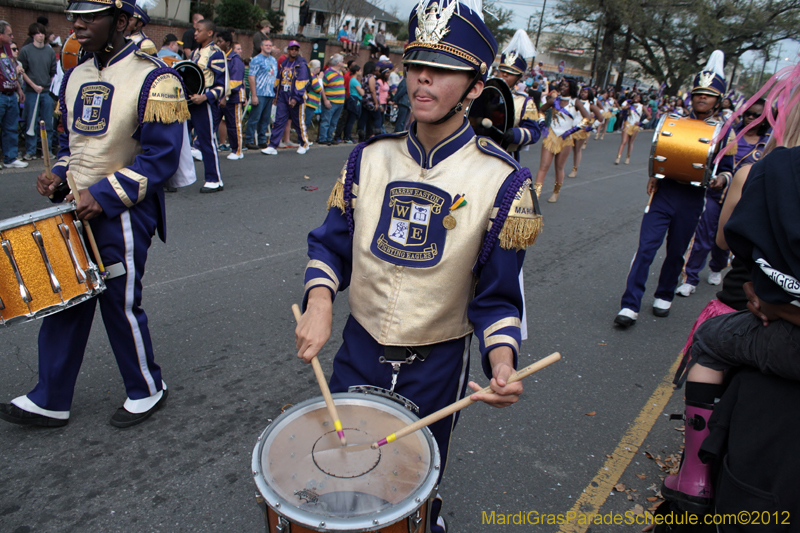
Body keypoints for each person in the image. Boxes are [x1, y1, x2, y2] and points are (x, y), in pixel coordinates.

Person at [295, 2, 541, 531]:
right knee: (341, 481)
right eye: (415, 63)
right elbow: (332, 244)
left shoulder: (504, 183)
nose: (423, 78)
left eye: (445, 69)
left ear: (476, 86)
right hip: (357, 351)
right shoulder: (369, 158)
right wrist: (319, 303)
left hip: (435, 367)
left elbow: (498, 297)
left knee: (406, 490)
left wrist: (501, 363)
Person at [0, 0, 190, 428]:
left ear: (121, 22)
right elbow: (76, 146)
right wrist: (60, 176)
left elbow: (160, 159)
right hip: (76, 206)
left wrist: (101, 196)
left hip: (125, 212)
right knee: (66, 297)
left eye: (91, 17)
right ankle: (50, 397)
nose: (78, 24)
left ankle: (146, 388)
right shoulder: (75, 75)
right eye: (75, 16)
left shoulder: (156, 78)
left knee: (118, 303)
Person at [613, 51, 734, 327]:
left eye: (709, 94)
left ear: (718, 99)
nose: (702, 98)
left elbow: (728, 168)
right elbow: (661, 151)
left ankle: (664, 293)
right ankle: (630, 304)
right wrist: (653, 174)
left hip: (693, 198)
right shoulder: (674, 120)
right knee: (645, 248)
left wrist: (721, 180)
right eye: (698, 93)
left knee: (677, 251)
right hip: (664, 194)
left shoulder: (723, 131)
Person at [676, 99, 771, 298]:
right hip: (715, 193)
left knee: (726, 239)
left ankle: (717, 266)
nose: (751, 118)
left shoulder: (769, 142)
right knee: (702, 236)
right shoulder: (728, 133)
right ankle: (690, 278)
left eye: (757, 116)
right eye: (748, 114)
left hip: (742, 200)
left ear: (765, 119)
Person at [533, 78, 593, 203]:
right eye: (561, 85)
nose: (562, 87)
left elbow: (587, 118)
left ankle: (556, 192)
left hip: (566, 139)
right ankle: (535, 194)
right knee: (543, 166)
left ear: (571, 87)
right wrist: (542, 125)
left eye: (565, 85)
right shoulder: (554, 100)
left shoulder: (575, 102)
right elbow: (541, 110)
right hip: (551, 135)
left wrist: (572, 131)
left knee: (559, 167)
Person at [493, 30, 543, 163]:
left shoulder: (526, 102)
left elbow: (534, 132)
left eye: (510, 73)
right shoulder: (485, 93)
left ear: (519, 77)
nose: (504, 75)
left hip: (506, 156)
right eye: (502, 71)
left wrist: (514, 134)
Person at [189, 19, 226, 192]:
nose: (195, 33)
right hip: (190, 101)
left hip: (204, 103)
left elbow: (221, 86)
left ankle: (214, 179)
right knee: (179, 140)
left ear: (209, 32)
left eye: (199, 30)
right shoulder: (196, 52)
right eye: (195, 30)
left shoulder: (216, 53)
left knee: (206, 141)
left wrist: (204, 97)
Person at [262, 40, 310, 155]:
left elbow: (302, 82)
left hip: (295, 97)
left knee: (298, 122)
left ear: (298, 51)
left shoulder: (301, 64)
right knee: (279, 121)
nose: (293, 51)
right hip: (283, 96)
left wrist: (295, 97)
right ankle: (273, 145)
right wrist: (276, 95)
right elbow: (278, 80)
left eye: (296, 49)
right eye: (291, 49)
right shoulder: (283, 64)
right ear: (288, 50)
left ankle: (304, 143)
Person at [19, 22, 57, 161]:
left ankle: (47, 151)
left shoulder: (50, 51)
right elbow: (22, 71)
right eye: (37, 33)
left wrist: (45, 85)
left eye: (42, 33)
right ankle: (30, 151)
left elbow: (52, 72)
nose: (40, 36)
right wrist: (33, 85)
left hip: (45, 92)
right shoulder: (25, 51)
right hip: (31, 91)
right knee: (31, 123)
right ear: (32, 35)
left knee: (48, 123)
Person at [0, 21, 27, 169]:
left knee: (10, 128)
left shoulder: (7, 49)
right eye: (9, 34)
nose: (12, 36)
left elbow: (11, 69)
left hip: (11, 93)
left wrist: (19, 89)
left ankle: (10, 158)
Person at [215, 31, 245, 160]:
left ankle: (237, 150)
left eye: (220, 41)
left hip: (233, 97)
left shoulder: (235, 59)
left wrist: (224, 96)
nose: (217, 44)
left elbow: (235, 82)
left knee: (234, 124)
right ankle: (199, 146)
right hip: (220, 96)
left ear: (227, 43)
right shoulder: (219, 57)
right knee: (213, 122)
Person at [245, 38, 277, 150]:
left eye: (270, 45)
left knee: (266, 118)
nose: (268, 47)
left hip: (270, 93)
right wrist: (254, 94)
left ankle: (262, 139)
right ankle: (249, 139)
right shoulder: (256, 60)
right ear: (261, 47)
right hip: (259, 92)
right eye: (266, 45)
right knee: (254, 118)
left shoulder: (273, 60)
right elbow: (251, 77)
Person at [568, 87, 603, 177]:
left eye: (586, 92)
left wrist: (591, 127)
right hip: (571, 128)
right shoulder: (574, 102)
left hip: (581, 130)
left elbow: (600, 118)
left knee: (577, 150)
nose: (583, 93)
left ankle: (574, 169)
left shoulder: (591, 105)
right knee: (569, 148)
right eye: (582, 91)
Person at [614, 92, 650, 165]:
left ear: (640, 98)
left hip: (635, 126)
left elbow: (649, 116)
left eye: (638, 97)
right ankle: (618, 157)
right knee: (623, 141)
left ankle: (628, 157)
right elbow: (622, 108)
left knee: (630, 142)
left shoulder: (642, 106)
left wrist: (641, 123)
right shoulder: (630, 105)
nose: (636, 98)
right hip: (628, 124)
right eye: (635, 97)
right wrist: (627, 103)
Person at [318, 54, 345, 145]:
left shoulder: (340, 72)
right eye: (342, 61)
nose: (343, 63)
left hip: (340, 101)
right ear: (337, 63)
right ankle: (323, 138)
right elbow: (322, 87)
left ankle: (329, 137)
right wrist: (325, 100)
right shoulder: (328, 73)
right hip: (331, 100)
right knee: (326, 120)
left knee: (334, 121)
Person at [357, 60, 380, 141]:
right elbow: (372, 90)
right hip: (371, 100)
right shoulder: (371, 77)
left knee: (363, 117)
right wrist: (376, 103)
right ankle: (377, 133)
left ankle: (361, 133)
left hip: (364, 100)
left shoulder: (363, 78)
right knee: (377, 117)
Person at [342, 63, 362, 142]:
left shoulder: (354, 79)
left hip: (354, 99)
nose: (361, 72)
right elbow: (361, 92)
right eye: (360, 71)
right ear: (357, 71)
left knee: (351, 119)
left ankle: (347, 135)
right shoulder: (354, 80)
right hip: (354, 100)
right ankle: (347, 136)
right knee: (351, 119)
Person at [304, 58, 322, 134]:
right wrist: (320, 79)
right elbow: (318, 89)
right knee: (306, 122)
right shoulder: (312, 76)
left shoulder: (309, 75)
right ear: (317, 68)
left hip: (311, 102)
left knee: (306, 121)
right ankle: (303, 139)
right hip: (310, 102)